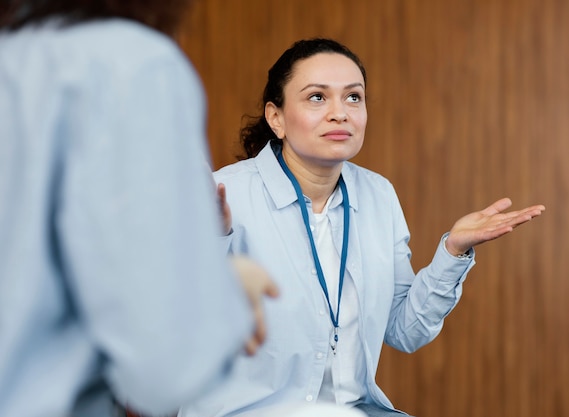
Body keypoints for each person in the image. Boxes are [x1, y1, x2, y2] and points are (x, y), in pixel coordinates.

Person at [178, 38, 546, 417]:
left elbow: (406, 331)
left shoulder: (378, 195)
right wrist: (212, 240)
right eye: (317, 97)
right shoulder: (223, 195)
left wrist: (452, 251)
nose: (340, 113)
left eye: (353, 97)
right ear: (277, 118)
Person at [0, 1, 279, 417]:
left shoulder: (14, 59)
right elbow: (165, 371)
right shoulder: (127, 65)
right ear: (275, 117)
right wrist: (219, 291)